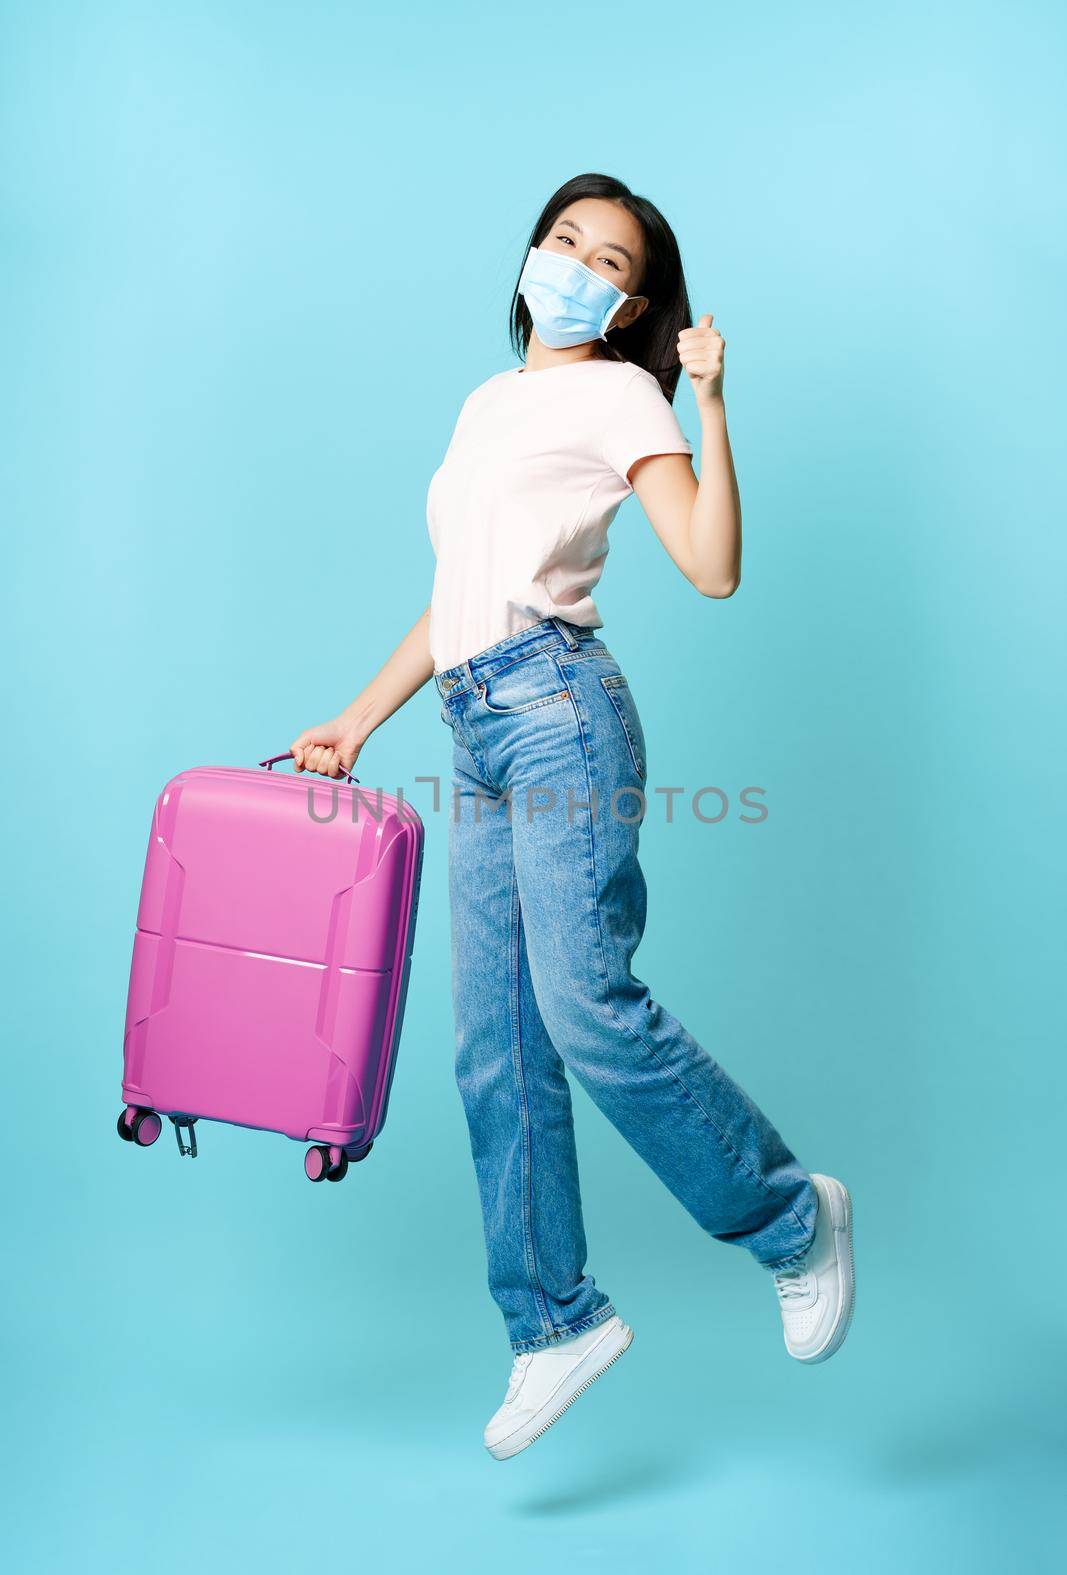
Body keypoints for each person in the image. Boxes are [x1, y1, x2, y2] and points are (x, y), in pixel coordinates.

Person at [289, 173, 855, 1461]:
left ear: (631, 302)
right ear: (535, 252)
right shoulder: (489, 404)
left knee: (586, 1007)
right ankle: (553, 1324)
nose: (576, 264)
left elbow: (712, 568)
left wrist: (709, 402)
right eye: (563, 239)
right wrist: (357, 718)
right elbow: (458, 595)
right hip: (476, 722)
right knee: (493, 1044)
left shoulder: (625, 393)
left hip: (561, 707)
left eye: (607, 258)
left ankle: (792, 1219)